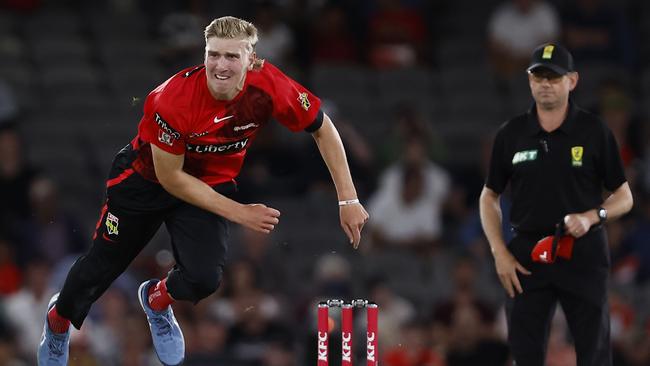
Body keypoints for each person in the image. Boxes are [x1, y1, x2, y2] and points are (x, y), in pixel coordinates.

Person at [37, 16, 369, 366]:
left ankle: (156, 300)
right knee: (102, 267)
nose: (220, 66)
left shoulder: (269, 85)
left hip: (210, 182)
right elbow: (172, 179)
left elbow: (323, 127)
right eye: (214, 55)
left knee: (203, 280)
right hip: (145, 180)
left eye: (231, 57)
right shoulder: (171, 99)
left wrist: (348, 199)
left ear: (251, 59)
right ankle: (57, 323)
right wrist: (240, 212)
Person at [479, 43, 633, 366]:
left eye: (553, 76)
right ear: (529, 81)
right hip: (526, 254)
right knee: (524, 352)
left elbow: (624, 195)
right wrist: (499, 251)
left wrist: (594, 216)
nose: (545, 83)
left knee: (594, 352)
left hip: (582, 249)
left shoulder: (594, 131)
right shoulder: (512, 133)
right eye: (538, 76)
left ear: (572, 81)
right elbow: (488, 195)